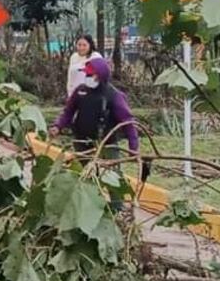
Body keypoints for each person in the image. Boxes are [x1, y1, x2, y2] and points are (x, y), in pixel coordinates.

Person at [49, 58, 151, 210]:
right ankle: (89, 209)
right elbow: (68, 112)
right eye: (87, 75)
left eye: (92, 75)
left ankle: (117, 209)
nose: (88, 78)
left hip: (107, 144)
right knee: (85, 177)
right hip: (82, 143)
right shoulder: (80, 91)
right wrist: (58, 126)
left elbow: (128, 123)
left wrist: (133, 148)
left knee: (113, 178)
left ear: (101, 76)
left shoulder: (114, 96)